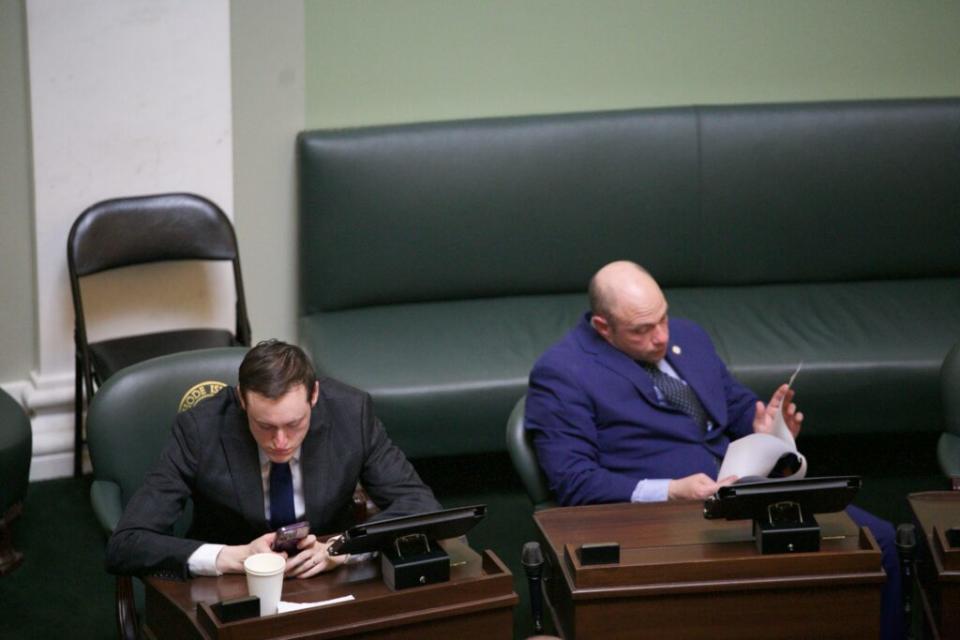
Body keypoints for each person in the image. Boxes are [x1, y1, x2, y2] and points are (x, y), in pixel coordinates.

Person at [525, 260, 903, 639]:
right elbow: (574, 481)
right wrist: (671, 490)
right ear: (603, 328)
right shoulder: (561, 373)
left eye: (663, 319)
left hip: (743, 494)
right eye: (642, 330)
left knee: (879, 540)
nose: (659, 336)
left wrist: (764, 427)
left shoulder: (689, 336)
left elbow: (734, 404)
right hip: (662, 522)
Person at [106, 340, 441, 580]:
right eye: (264, 426)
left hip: (325, 577)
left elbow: (421, 505)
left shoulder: (351, 413)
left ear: (314, 396)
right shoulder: (200, 429)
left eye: (294, 425)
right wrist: (228, 557)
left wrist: (344, 547)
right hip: (233, 586)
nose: (280, 443)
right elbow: (127, 543)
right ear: (241, 400)